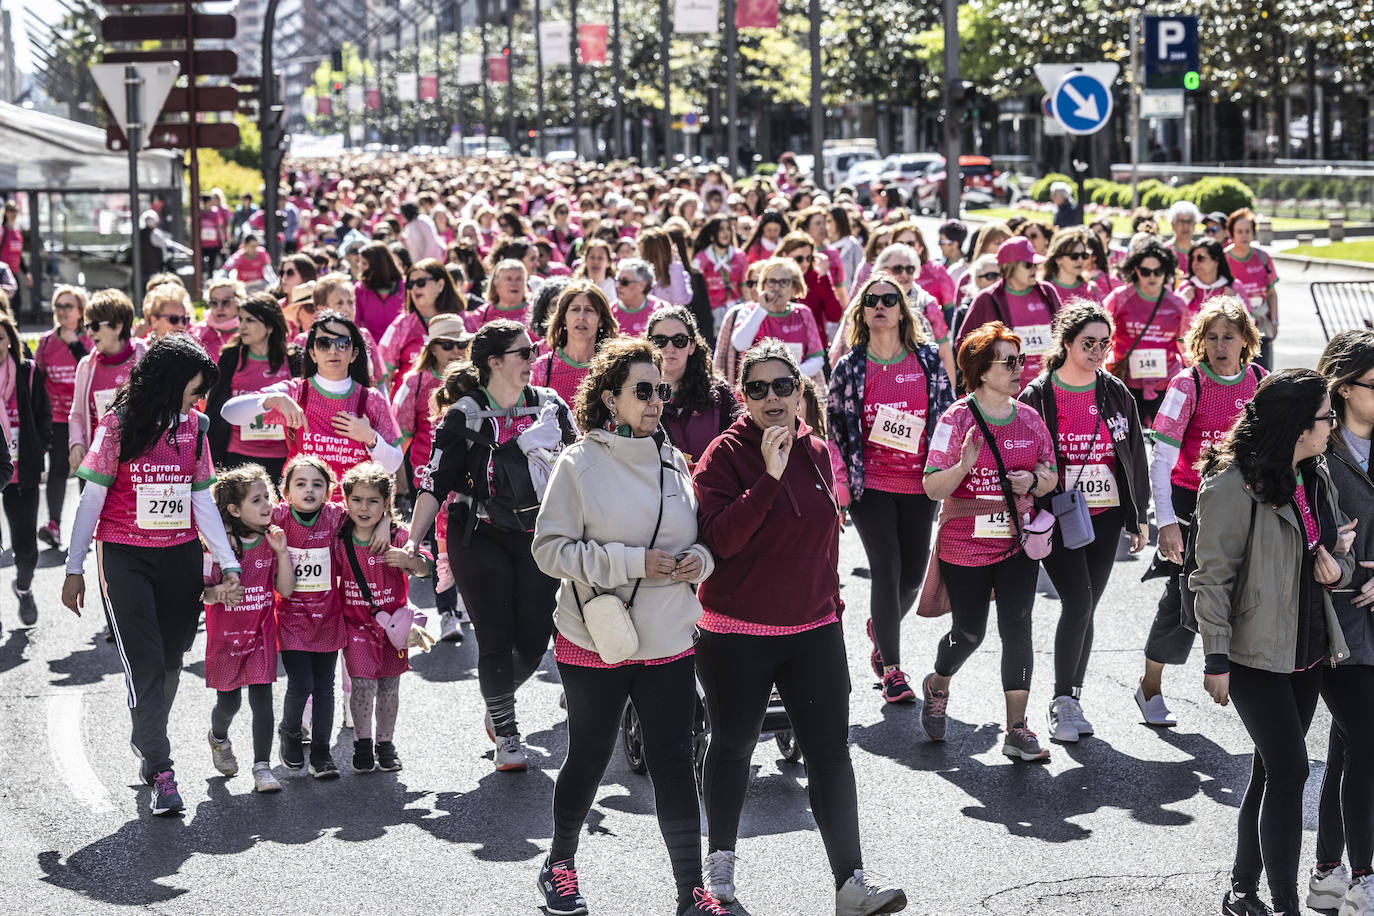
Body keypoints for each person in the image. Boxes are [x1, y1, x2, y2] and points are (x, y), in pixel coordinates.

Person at [692, 339, 907, 915]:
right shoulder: (723, 454)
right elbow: (720, 539)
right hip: (737, 632)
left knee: (831, 754)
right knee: (733, 747)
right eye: (756, 388)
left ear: (798, 392)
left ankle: (851, 885)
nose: (770, 397)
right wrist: (767, 475)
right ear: (743, 397)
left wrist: (831, 604)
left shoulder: (816, 449)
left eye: (781, 386)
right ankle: (720, 875)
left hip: (814, 629)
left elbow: (823, 534)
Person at [531, 337, 728, 916]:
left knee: (673, 759)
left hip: (668, 633)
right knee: (589, 754)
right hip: (596, 634)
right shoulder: (578, 463)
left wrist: (701, 561)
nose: (655, 400)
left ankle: (691, 890)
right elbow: (549, 551)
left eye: (660, 389)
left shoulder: (673, 459)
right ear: (610, 398)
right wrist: (628, 562)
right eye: (642, 390)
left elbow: (698, 541)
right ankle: (560, 864)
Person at [1191, 369, 1358, 916]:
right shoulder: (1232, 484)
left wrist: (1338, 566)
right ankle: (1284, 903)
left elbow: (1333, 550)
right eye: (1324, 416)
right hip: (1252, 652)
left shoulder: (1315, 474)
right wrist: (1215, 656)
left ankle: (1241, 890)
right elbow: (1211, 576)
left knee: (1271, 769)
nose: (1331, 425)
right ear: (1295, 424)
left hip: (1307, 644)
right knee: (1290, 771)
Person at [62, 335, 239, 815]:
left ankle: (146, 732)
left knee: (171, 660)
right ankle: (163, 771)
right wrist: (74, 567)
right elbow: (91, 499)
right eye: (192, 389)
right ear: (169, 382)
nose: (197, 400)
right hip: (125, 557)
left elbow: (202, 499)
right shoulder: (118, 425)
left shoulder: (197, 428)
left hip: (179, 557)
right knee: (144, 661)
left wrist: (228, 560)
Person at [405, 320, 577, 773]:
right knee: (496, 636)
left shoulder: (551, 406)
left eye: (533, 352)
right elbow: (433, 482)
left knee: (535, 640)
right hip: (477, 533)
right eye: (523, 353)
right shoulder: (462, 415)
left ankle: (495, 698)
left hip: (539, 535)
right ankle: (506, 730)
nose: (532, 360)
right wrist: (413, 540)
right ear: (494, 362)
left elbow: (583, 467)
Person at [917, 322, 1058, 760]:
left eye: (1020, 360)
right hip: (964, 542)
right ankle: (938, 683)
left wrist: (1033, 481)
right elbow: (931, 487)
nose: (1020, 369)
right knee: (970, 631)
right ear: (980, 370)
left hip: (1016, 541)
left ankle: (1017, 729)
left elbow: (1051, 473)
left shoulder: (1030, 418)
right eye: (1009, 362)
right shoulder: (955, 418)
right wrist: (962, 467)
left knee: (1018, 627)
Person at [1017, 303, 1149, 741]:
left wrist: (1138, 517)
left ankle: (1073, 695)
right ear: (1067, 344)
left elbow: (1134, 458)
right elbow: (1020, 450)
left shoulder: (1115, 393)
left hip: (1105, 516)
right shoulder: (1038, 396)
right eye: (1087, 343)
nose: (1096, 351)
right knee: (1077, 600)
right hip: (1056, 514)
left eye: (1103, 344)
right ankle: (1061, 701)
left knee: (1088, 603)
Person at [828, 273, 955, 704]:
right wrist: (841, 487)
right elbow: (836, 432)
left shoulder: (927, 361)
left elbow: (947, 419)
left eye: (889, 299)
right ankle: (894, 671)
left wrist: (950, 471)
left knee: (914, 574)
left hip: (920, 484)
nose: (880, 305)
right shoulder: (850, 367)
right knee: (887, 567)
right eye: (871, 300)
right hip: (871, 486)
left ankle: (880, 630)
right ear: (862, 313)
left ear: (902, 310)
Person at [1138, 296, 1266, 726]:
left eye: (1228, 336)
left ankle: (1247, 683)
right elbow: (1160, 459)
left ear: (1246, 339)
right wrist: (1167, 524)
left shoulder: (1262, 383)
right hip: (1190, 502)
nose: (1220, 345)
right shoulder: (1186, 384)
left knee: (1247, 593)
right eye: (1211, 337)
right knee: (1184, 595)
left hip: (1246, 503)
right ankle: (1150, 685)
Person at [1310, 330, 1374, 915]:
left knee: (1347, 747)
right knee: (1366, 741)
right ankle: (1363, 876)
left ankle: (1328, 870)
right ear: (1348, 389)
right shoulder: (1316, 452)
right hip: (1334, 622)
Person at [221, 311, 403, 500]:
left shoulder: (372, 399)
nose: (333, 351)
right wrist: (274, 399)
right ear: (312, 353)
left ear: (354, 353)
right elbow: (229, 412)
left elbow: (393, 464)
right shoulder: (294, 393)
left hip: (356, 514)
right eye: (324, 344)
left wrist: (370, 438)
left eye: (343, 343)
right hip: (304, 512)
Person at [204, 463, 295, 794]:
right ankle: (218, 738)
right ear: (233, 509)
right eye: (257, 500)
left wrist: (282, 554)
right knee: (228, 704)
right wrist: (218, 593)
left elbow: (284, 590)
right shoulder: (218, 547)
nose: (267, 505)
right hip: (225, 641)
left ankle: (262, 767)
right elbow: (200, 592)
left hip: (260, 637)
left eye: (267, 497)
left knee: (263, 702)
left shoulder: (272, 540)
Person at [335, 462, 432, 774]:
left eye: (373, 501)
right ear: (345, 500)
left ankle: (385, 743)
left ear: (386, 503)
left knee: (390, 687)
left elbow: (426, 567)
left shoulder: (399, 535)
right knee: (362, 685)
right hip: (356, 626)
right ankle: (363, 743)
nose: (364, 508)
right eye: (357, 500)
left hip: (392, 631)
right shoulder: (338, 536)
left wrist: (409, 559)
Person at [391, 316, 472, 643]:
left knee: (467, 542)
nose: (454, 350)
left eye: (460, 343)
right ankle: (448, 612)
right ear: (432, 348)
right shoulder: (417, 382)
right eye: (446, 344)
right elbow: (402, 436)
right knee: (441, 544)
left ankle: (468, 601)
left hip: (471, 476)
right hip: (431, 476)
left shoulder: (475, 380)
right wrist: (399, 482)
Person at [204, 293, 300, 481]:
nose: (242, 326)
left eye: (250, 320)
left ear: (270, 326)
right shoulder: (231, 357)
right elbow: (215, 408)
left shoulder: (293, 358)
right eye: (241, 319)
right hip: (238, 456)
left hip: (282, 457)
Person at [955, 237, 1063, 389]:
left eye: (1036, 264)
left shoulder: (1047, 292)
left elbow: (1065, 337)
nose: (1035, 269)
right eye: (1028, 265)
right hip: (1005, 395)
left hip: (1048, 389)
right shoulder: (987, 298)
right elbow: (964, 346)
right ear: (1009, 267)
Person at [0, 308, 52, 625]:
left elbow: (44, 416)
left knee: (26, 548)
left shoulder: (27, 372)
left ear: (10, 340)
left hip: (22, 471)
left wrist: (39, 446)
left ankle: (24, 587)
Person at [1103, 237, 1190, 424]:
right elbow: (1101, 333)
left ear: (1166, 271)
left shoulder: (1177, 304)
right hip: (1126, 382)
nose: (1152, 277)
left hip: (1166, 383)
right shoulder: (1119, 298)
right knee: (1127, 443)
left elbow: (1186, 344)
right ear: (1135, 269)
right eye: (1145, 271)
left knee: (1164, 441)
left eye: (1158, 272)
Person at [33, 283, 90, 549]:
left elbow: (94, 371)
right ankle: (54, 525)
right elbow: (37, 381)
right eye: (58, 306)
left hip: (87, 418)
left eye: (68, 306)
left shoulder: (90, 338)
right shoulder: (46, 342)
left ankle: (86, 528)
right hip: (57, 418)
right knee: (57, 469)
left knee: (85, 472)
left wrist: (76, 344)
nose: (62, 311)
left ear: (81, 311)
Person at [649, 304, 738, 467]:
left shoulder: (719, 392)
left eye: (679, 340)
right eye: (660, 341)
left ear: (692, 346)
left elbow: (738, 444)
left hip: (710, 486)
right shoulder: (638, 393)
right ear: (648, 345)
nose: (669, 348)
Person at [714, 258, 825, 388]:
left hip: (793, 391)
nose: (777, 288)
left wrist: (788, 375)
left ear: (794, 287)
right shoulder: (749, 312)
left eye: (784, 282)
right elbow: (740, 344)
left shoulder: (803, 314)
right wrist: (762, 309)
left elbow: (817, 359)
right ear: (763, 285)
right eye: (772, 282)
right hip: (756, 391)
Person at [68, 290, 146, 474]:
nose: (88, 332)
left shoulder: (147, 357)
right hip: (96, 465)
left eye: (94, 325)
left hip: (139, 463)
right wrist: (76, 443)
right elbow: (77, 413)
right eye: (86, 325)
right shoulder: (86, 366)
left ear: (118, 326)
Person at [531, 281, 619, 408]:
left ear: (601, 320)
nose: (581, 317)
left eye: (589, 310)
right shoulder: (540, 369)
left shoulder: (612, 368)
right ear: (563, 318)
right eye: (575, 309)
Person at [380, 258, 466, 385]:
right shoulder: (401, 325)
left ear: (440, 285)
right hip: (409, 401)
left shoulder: (463, 321)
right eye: (410, 284)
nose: (414, 288)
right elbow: (383, 374)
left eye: (420, 282)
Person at [1224, 208, 1279, 370]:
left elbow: (1272, 294)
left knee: (1263, 374)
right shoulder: (1223, 259)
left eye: (1248, 231)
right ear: (1231, 234)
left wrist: (1274, 321)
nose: (1244, 235)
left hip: (1261, 325)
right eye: (1239, 231)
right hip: (1235, 325)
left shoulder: (1263, 257)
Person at [775, 231, 844, 348]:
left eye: (809, 258)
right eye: (799, 259)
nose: (805, 263)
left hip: (814, 350)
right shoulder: (773, 279)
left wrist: (824, 278)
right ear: (784, 255)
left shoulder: (817, 278)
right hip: (781, 348)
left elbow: (835, 315)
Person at [693, 216, 747, 328]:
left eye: (728, 229)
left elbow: (744, 285)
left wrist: (748, 306)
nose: (725, 233)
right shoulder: (701, 258)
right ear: (713, 234)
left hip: (736, 309)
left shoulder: (739, 256)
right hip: (711, 313)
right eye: (721, 229)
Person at [353, 241, 407, 342]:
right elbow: (356, 324)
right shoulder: (360, 289)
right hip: (371, 349)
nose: (360, 266)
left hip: (400, 348)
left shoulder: (405, 287)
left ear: (378, 265)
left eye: (364, 263)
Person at [465, 258, 531, 330]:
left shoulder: (534, 312)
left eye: (519, 279)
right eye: (509, 279)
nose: (514, 284)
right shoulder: (481, 314)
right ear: (495, 282)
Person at [1042, 226, 1100, 304]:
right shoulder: (1043, 289)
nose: (1080, 260)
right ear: (1058, 259)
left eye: (1084, 255)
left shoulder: (1091, 288)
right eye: (1074, 256)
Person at [611, 257, 666, 338]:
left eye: (624, 282)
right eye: (618, 280)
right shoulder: (610, 311)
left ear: (642, 285)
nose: (618, 286)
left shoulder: (659, 309)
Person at [192, 278, 242, 363]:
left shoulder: (247, 330)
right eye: (214, 302)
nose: (220, 308)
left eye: (226, 302)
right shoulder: (198, 331)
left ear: (239, 303)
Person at [572, 237, 617, 303]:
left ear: (609, 262)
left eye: (600, 258)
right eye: (592, 257)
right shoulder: (575, 286)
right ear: (585, 260)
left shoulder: (617, 286)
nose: (595, 262)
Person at [1164, 200, 1202, 268]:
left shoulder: (1200, 251)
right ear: (1173, 224)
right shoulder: (1165, 251)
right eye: (1181, 221)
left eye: (1189, 221)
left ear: (1195, 225)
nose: (1185, 226)